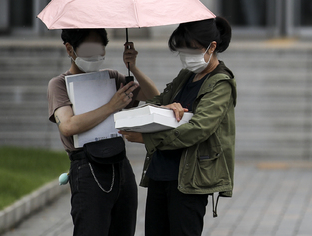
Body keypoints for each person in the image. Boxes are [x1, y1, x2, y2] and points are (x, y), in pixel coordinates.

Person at [119, 17, 236, 236]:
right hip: (160, 173)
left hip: (189, 180)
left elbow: (199, 129)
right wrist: (133, 70)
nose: (186, 57)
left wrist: (147, 139)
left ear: (211, 47)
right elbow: (158, 101)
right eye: (181, 50)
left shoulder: (221, 83)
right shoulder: (186, 76)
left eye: (191, 50)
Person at [48, 28, 160, 236]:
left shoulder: (111, 77)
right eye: (89, 50)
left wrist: (133, 68)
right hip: (87, 168)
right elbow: (68, 125)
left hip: (120, 165)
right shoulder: (59, 84)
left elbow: (155, 97)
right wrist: (111, 106)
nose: (96, 57)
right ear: (69, 49)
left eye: (100, 50)